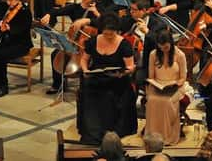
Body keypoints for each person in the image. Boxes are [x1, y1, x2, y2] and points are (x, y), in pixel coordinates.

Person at [78, 13, 137, 144]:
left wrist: (122, 73)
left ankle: (109, 133)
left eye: (111, 34)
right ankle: (92, 133)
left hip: (117, 80)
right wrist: (86, 70)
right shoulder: (93, 41)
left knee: (108, 96)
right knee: (88, 92)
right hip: (97, 77)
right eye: (106, 34)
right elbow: (84, 59)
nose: (108, 36)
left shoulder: (124, 44)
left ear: (117, 31)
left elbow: (131, 67)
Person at [144, 30, 187, 145]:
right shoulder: (153, 54)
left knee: (167, 102)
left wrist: (176, 84)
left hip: (175, 86)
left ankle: (167, 136)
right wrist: (155, 85)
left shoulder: (180, 55)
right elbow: (151, 76)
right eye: (161, 47)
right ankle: (153, 136)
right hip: (157, 85)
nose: (164, 49)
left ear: (171, 43)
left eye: (166, 47)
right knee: (152, 100)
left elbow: (183, 78)